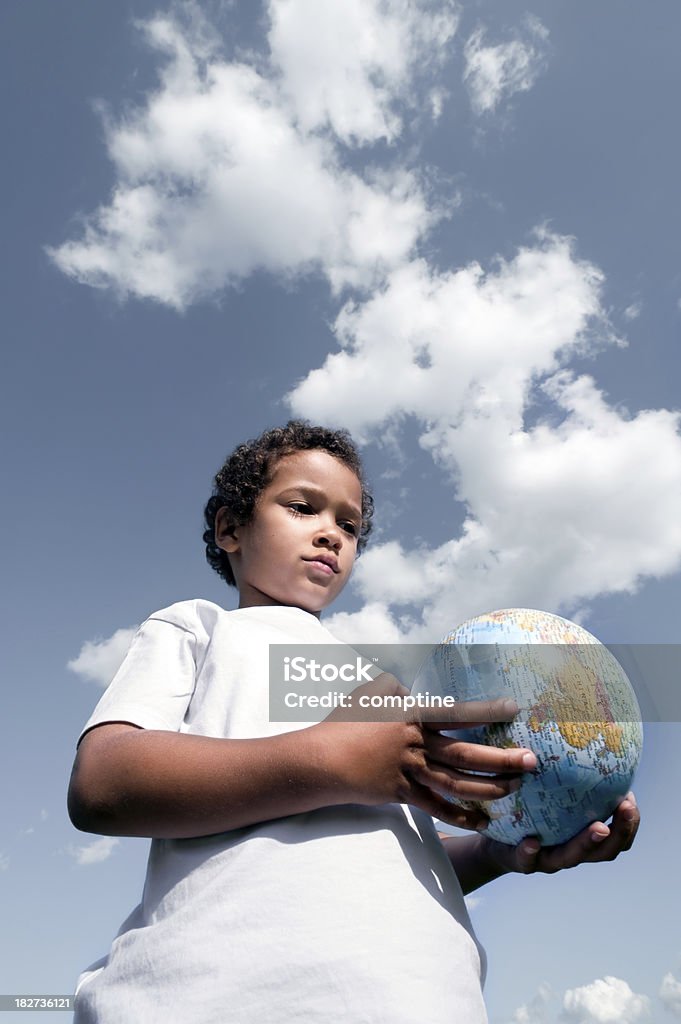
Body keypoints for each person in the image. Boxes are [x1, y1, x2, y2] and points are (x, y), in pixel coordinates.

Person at [68, 421, 639, 1024]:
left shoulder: (381, 683)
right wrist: (331, 761)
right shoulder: (200, 629)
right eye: (302, 507)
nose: (331, 535)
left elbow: (390, 853)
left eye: (349, 526)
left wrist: (497, 853)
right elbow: (102, 784)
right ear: (230, 528)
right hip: (227, 993)